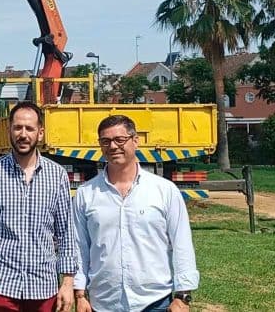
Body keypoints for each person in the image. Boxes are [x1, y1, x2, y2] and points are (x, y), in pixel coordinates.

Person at [72, 115, 198, 312]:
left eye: (120, 140)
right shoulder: (86, 194)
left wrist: (183, 296)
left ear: (135, 141)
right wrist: (79, 293)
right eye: (105, 141)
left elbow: (181, 243)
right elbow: (79, 247)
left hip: (154, 302)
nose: (113, 146)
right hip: (104, 302)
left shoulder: (164, 190)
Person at [0, 101, 77, 312]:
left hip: (43, 285)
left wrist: (67, 281)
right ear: (9, 130)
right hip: (1, 284)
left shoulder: (57, 176)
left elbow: (66, 232)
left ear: (40, 133)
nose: (23, 134)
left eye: (30, 128)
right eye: (18, 127)